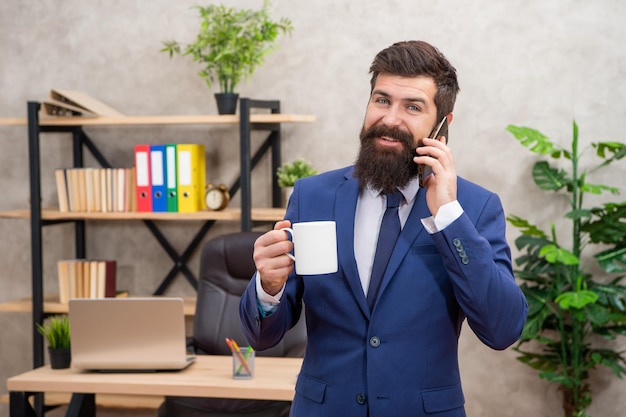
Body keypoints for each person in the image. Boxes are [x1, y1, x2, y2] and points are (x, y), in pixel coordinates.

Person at [239, 40, 528, 417]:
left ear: (443, 125)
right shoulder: (312, 196)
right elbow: (261, 337)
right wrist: (268, 287)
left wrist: (449, 218)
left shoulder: (474, 208)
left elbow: (503, 328)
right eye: (381, 100)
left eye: (412, 107)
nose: (391, 119)